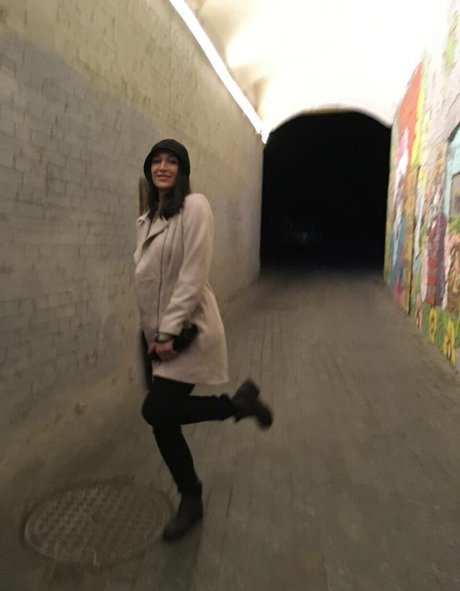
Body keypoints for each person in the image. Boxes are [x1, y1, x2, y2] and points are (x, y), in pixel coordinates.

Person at [134, 139, 273, 541]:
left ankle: (236, 406)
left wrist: (168, 332)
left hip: (185, 333)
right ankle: (191, 497)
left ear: (182, 170)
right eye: (156, 161)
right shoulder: (147, 219)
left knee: (156, 412)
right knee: (164, 423)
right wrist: (150, 336)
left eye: (171, 161)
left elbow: (192, 275)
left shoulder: (195, 207)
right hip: (155, 338)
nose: (162, 167)